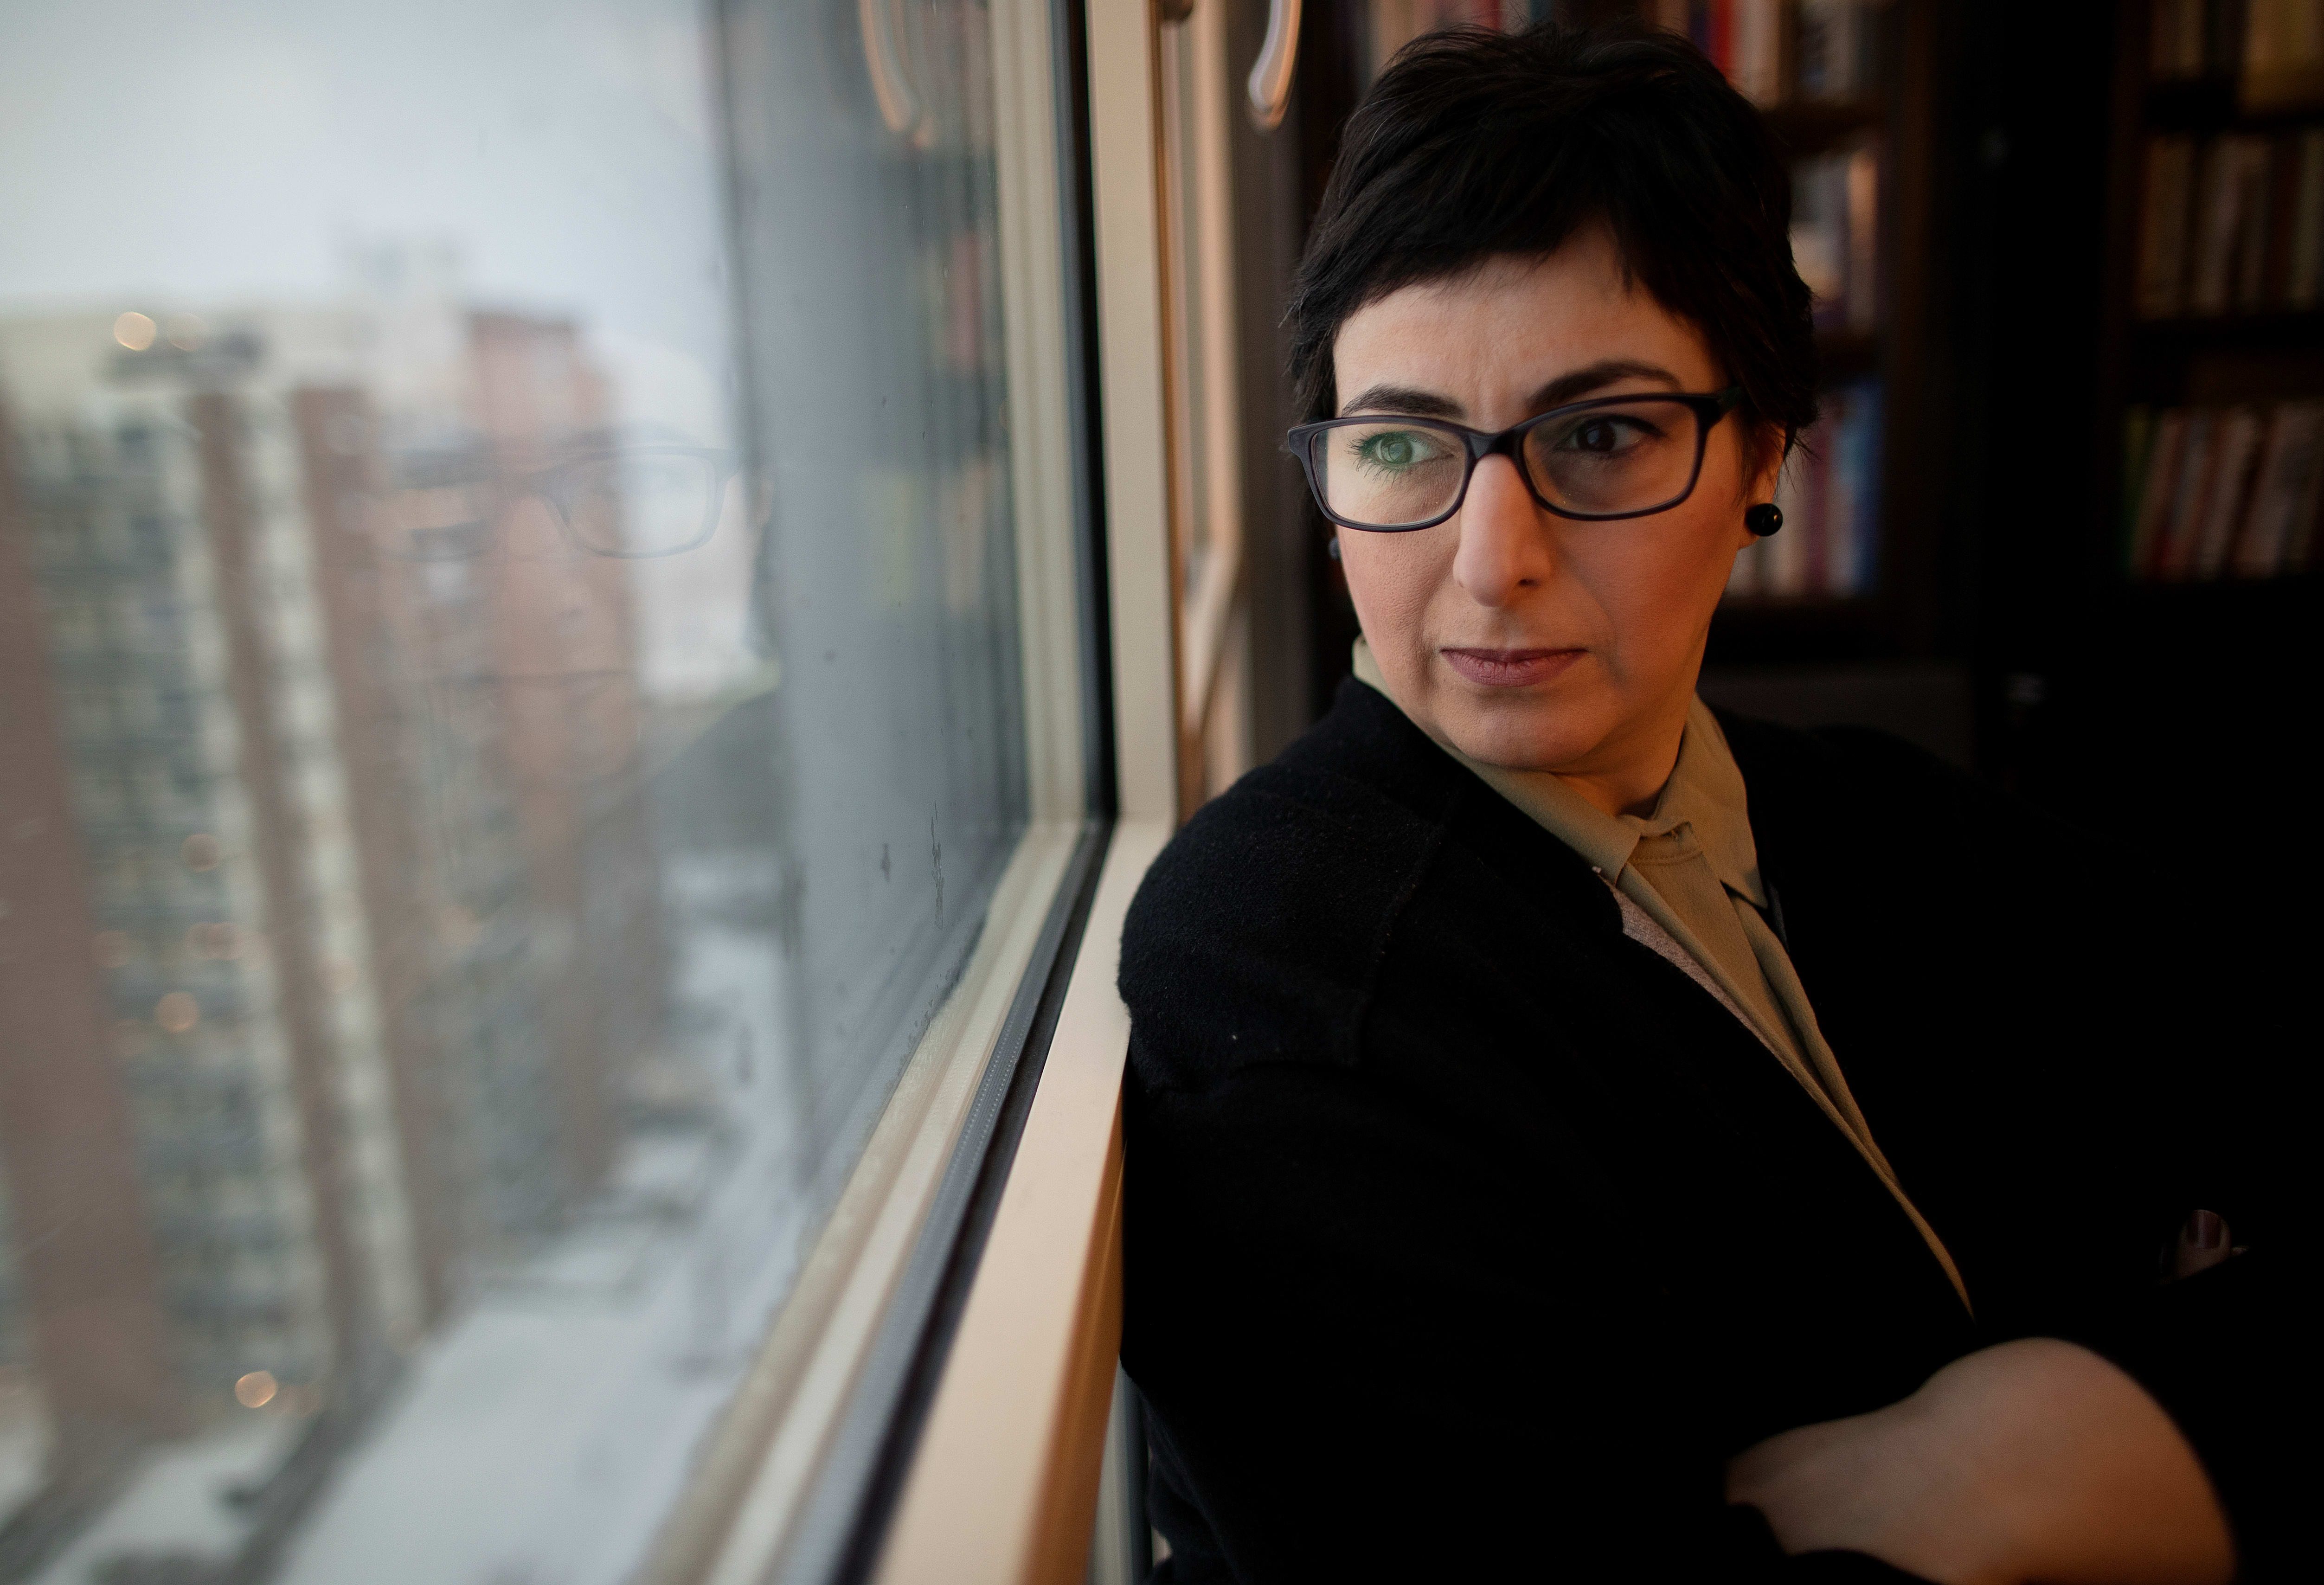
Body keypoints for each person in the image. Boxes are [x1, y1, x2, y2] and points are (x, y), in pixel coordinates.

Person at [1116, 19, 2299, 1583]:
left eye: (1600, 435)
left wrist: (2015, 1454)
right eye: (1399, 443)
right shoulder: (1282, 970)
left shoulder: (1874, 818)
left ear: (1764, 458)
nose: (1491, 559)